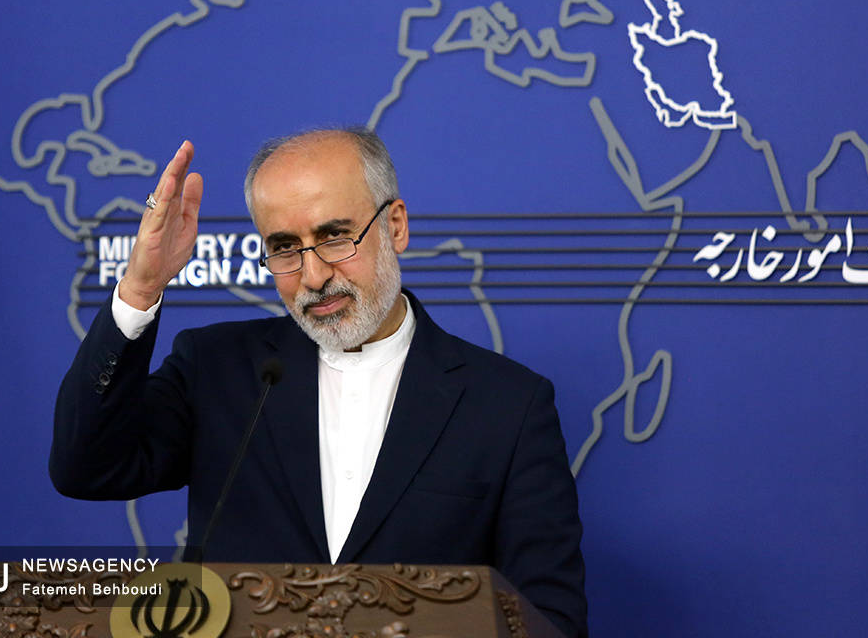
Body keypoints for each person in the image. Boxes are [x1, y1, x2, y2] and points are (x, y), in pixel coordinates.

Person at [50, 128, 588, 637]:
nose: (313, 276)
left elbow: (549, 619)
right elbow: (87, 468)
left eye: (334, 237)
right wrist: (141, 287)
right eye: (285, 247)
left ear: (395, 226)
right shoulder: (216, 369)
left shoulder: (508, 406)